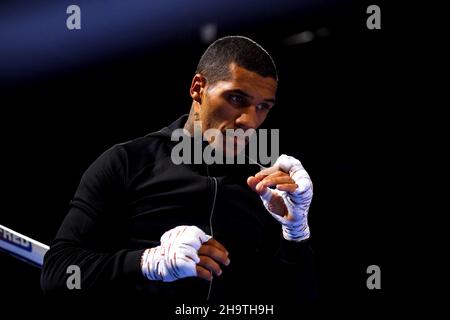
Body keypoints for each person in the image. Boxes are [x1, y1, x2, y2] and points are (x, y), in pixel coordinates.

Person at [41, 36, 317, 312]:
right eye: (236, 98)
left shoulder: (266, 190)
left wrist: (295, 234)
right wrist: (147, 262)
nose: (249, 121)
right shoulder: (127, 163)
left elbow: (296, 305)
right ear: (198, 88)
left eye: (262, 107)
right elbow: (57, 274)